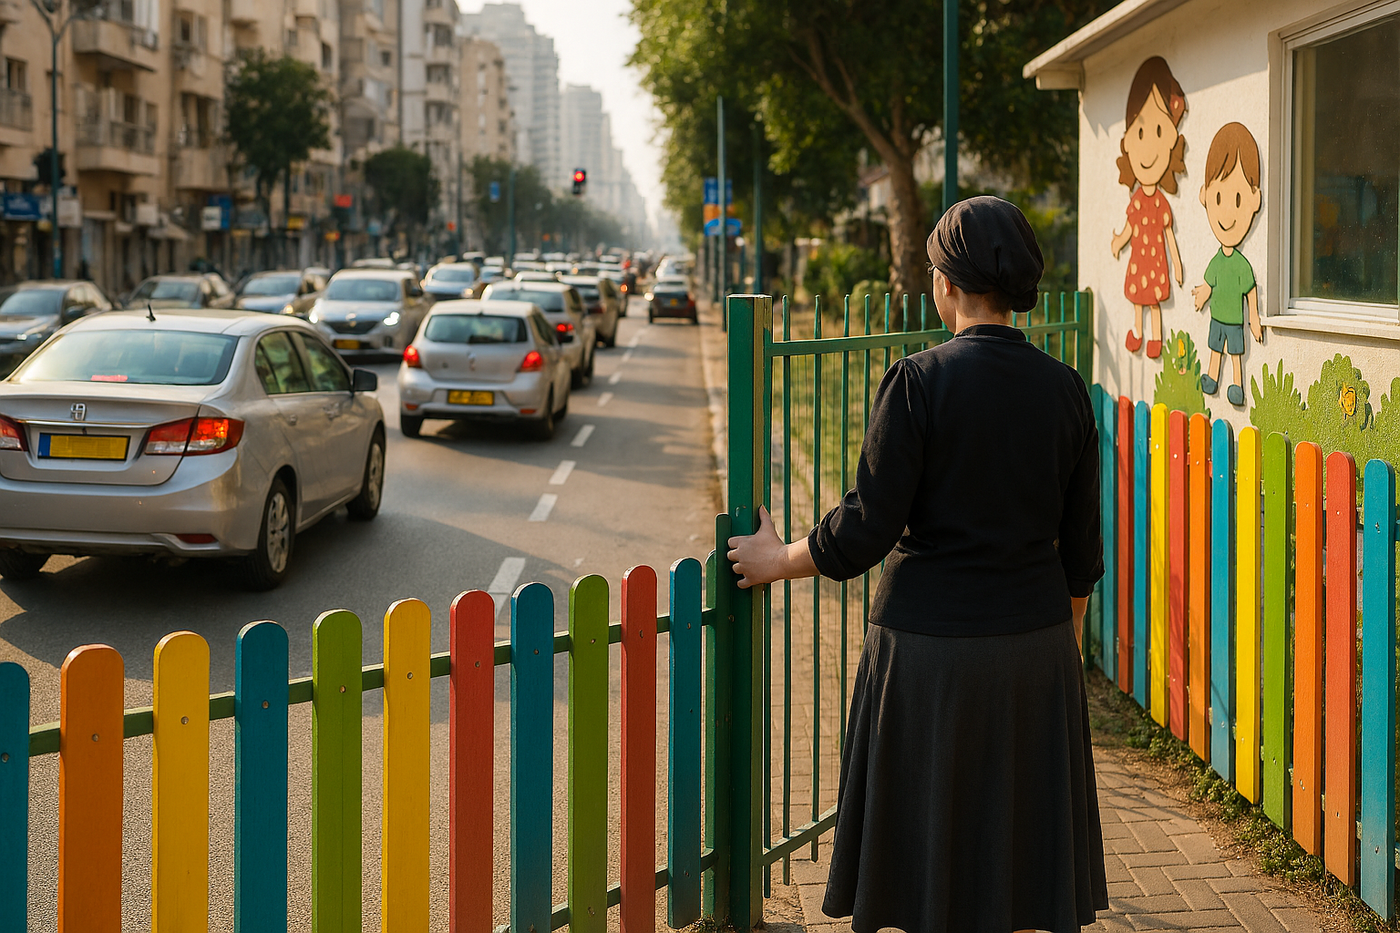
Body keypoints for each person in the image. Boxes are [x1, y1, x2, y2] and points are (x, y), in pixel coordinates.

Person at [728, 196, 1107, 933]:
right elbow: (1081, 552)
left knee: (928, 850)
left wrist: (775, 560)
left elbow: (866, 527)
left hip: (926, 658)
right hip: (1036, 652)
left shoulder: (918, 381)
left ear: (946, 284)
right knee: (1013, 853)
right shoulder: (1065, 388)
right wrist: (1060, 646)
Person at [1111, 56, 1188, 360]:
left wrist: (1177, 264)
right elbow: (1130, 228)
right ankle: (1138, 332)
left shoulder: (1161, 202)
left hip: (1155, 261)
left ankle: (1155, 337)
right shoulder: (1136, 201)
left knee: (1153, 301)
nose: (1147, 148)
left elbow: (1169, 235)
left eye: (1158, 131)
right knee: (1138, 300)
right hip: (1138, 261)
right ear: (1128, 141)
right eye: (1141, 133)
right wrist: (1119, 241)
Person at [1192, 122, 1264, 408]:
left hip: (1235, 320)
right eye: (1219, 198)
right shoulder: (1217, 261)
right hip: (1217, 317)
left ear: (1254, 199)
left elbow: (1251, 291)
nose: (1226, 213)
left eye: (1237, 199)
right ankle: (1212, 377)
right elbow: (1210, 283)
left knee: (1234, 353)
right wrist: (1202, 294)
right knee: (1214, 348)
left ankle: (1236, 384)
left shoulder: (1243, 266)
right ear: (1205, 195)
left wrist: (1254, 318)